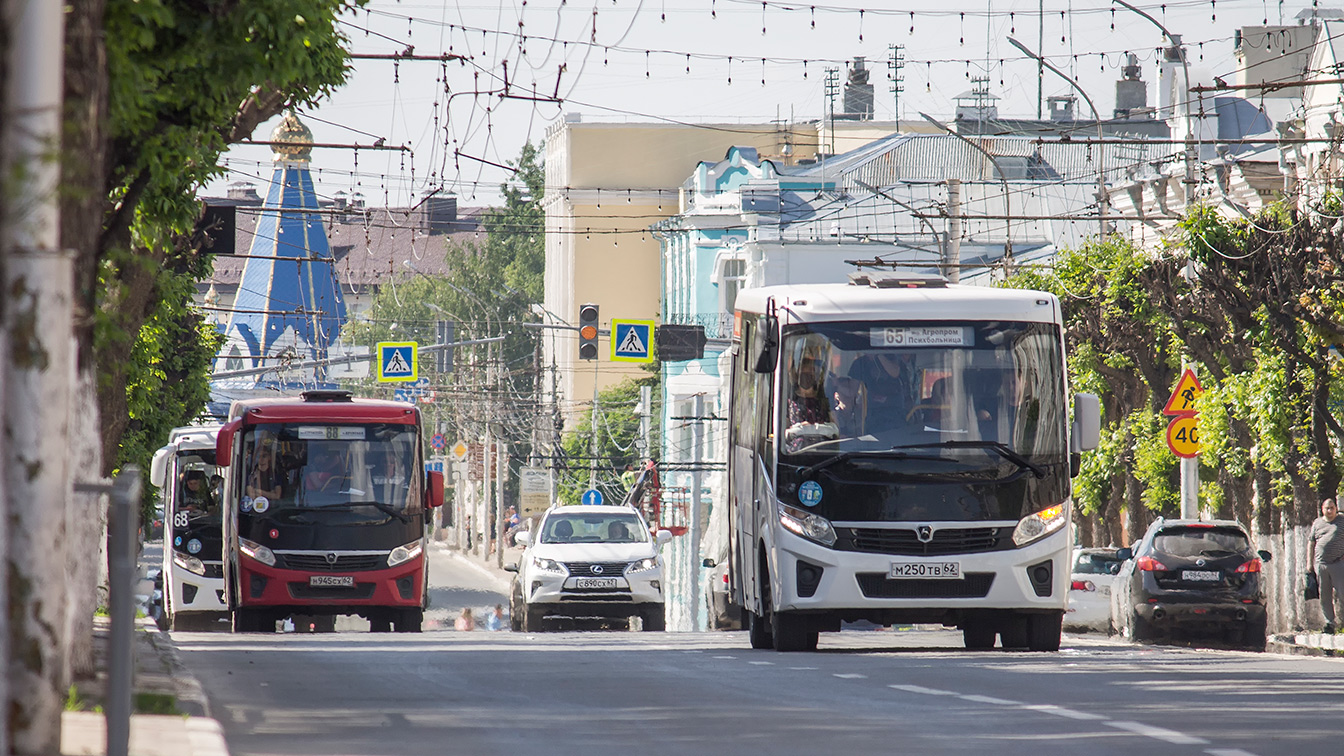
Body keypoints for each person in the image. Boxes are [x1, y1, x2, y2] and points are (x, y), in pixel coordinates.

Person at [849, 351, 917, 432]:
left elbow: (895, 372)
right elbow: (852, 391)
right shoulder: (860, 363)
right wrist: (836, 384)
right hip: (874, 413)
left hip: (895, 411)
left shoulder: (891, 355)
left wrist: (878, 355)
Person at [1308, 497, 1344, 633]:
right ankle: (1329, 623)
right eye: (1327, 508)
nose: (1329, 511)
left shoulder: (1342, 521)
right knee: (1324, 595)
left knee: (1342, 593)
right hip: (1321, 564)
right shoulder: (1317, 523)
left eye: (1332, 508)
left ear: (1336, 509)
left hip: (1339, 563)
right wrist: (1309, 564)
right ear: (1322, 510)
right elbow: (1311, 543)